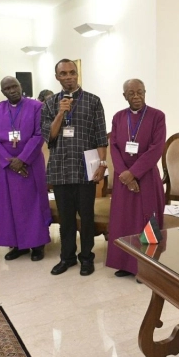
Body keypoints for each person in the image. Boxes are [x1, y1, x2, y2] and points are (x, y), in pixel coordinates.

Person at [41, 59, 108, 276]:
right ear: (57, 77)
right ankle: (67, 257)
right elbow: (49, 136)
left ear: (77, 74)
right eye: (64, 73)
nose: (68, 76)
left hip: (84, 168)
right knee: (66, 218)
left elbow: (100, 137)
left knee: (86, 217)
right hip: (60, 168)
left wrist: (103, 165)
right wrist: (61, 113)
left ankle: (86, 258)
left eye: (72, 72)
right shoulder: (50, 104)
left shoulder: (93, 101)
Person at [105, 79, 166, 277]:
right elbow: (113, 146)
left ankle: (146, 268)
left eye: (140, 92)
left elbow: (156, 148)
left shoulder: (157, 116)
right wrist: (124, 174)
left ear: (145, 92)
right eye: (131, 93)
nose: (136, 96)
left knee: (146, 222)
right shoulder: (118, 117)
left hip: (147, 178)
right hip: (124, 179)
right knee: (124, 221)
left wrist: (134, 173)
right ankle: (125, 264)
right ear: (124, 96)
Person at [0, 76, 52, 261]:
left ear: (20, 86)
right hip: (6, 165)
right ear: (3, 92)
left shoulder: (36, 106)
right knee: (10, 206)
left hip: (31, 163)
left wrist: (22, 159)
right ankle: (17, 245)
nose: (12, 90)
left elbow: (40, 134)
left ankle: (37, 244)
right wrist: (9, 162)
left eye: (14, 86)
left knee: (33, 204)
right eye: (7, 88)